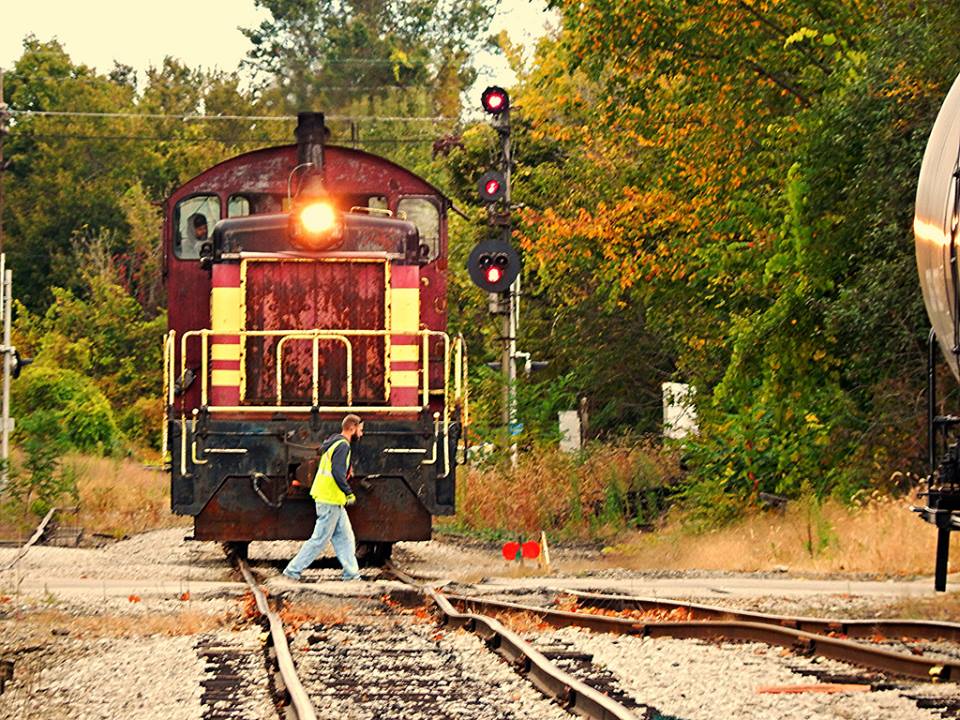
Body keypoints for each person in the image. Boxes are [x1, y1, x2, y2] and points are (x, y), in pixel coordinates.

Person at [281, 414, 363, 582]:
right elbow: (337, 473)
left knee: (346, 538)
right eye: (360, 430)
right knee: (319, 540)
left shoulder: (334, 442)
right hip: (329, 499)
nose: (362, 434)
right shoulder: (343, 446)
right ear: (352, 428)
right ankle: (292, 571)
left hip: (333, 500)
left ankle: (352, 574)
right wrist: (349, 493)